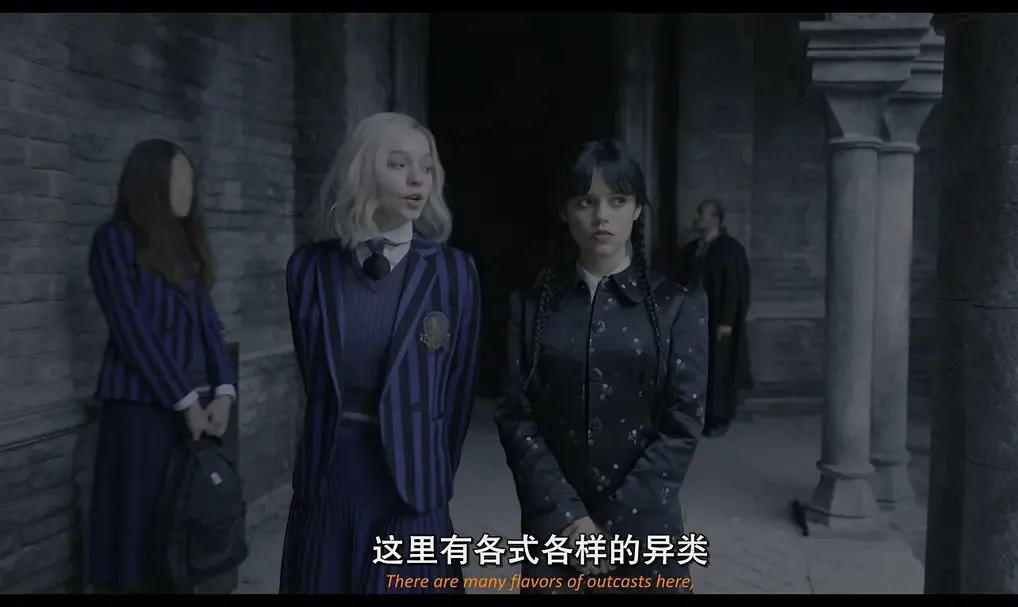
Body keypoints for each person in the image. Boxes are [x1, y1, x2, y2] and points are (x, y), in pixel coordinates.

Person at [494, 139, 708, 594]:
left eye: (618, 200)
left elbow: (683, 423)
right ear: (564, 211)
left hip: (645, 531)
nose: (601, 217)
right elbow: (516, 417)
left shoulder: (677, 306)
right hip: (557, 532)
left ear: (638, 209)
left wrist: (611, 527)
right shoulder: (529, 308)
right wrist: (570, 521)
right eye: (586, 202)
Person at [280, 112, 481, 594]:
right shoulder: (309, 269)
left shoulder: (454, 273)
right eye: (398, 164)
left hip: (412, 494)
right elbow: (315, 379)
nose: (417, 179)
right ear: (364, 170)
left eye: (426, 167)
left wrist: (429, 471)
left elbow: (458, 393)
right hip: (330, 485)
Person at [87, 139, 236, 593]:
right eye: (179, 178)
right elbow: (132, 331)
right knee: (136, 532)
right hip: (139, 413)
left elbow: (209, 326)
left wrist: (224, 392)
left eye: (191, 179)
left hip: (192, 413)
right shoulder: (115, 241)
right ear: (150, 182)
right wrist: (184, 398)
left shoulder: (185, 249)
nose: (189, 189)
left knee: (180, 531)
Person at [677, 198, 754, 437]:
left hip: (717, 320)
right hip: (693, 319)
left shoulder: (730, 249)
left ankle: (719, 418)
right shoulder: (692, 249)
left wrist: (727, 322)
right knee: (696, 370)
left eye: (701, 213)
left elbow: (735, 287)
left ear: (716, 219)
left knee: (719, 369)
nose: (696, 218)